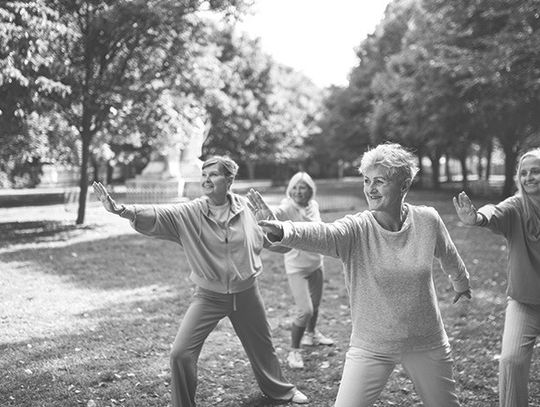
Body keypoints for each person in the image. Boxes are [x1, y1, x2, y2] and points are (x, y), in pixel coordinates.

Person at [248, 143, 472, 407]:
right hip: (371, 344)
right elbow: (323, 233)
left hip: (426, 340)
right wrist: (283, 230)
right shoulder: (356, 229)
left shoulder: (427, 220)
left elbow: (448, 254)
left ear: (404, 185)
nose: (370, 188)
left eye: (380, 181)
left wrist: (461, 282)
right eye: (367, 180)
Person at [92, 155, 308, 407]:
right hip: (209, 296)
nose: (206, 179)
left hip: (247, 292)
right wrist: (122, 210)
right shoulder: (191, 211)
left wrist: (272, 227)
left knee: (263, 349)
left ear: (229, 179)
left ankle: (280, 391)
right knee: (180, 354)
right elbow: (160, 214)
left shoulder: (248, 208)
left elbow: (277, 246)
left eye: (213, 174)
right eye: (204, 175)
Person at [453, 147, 540, 407]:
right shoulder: (516, 206)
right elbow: (494, 211)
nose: (529, 178)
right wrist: (477, 217)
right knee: (510, 361)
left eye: (536, 171)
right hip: (524, 301)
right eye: (524, 173)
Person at [272, 172, 334, 370]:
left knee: (315, 306)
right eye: (295, 187)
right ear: (290, 190)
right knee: (305, 310)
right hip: (296, 268)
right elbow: (276, 214)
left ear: (310, 190)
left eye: (303, 187)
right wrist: (265, 213)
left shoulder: (313, 206)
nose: (299, 191)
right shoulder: (288, 207)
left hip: (316, 263)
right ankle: (294, 351)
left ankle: (311, 335)